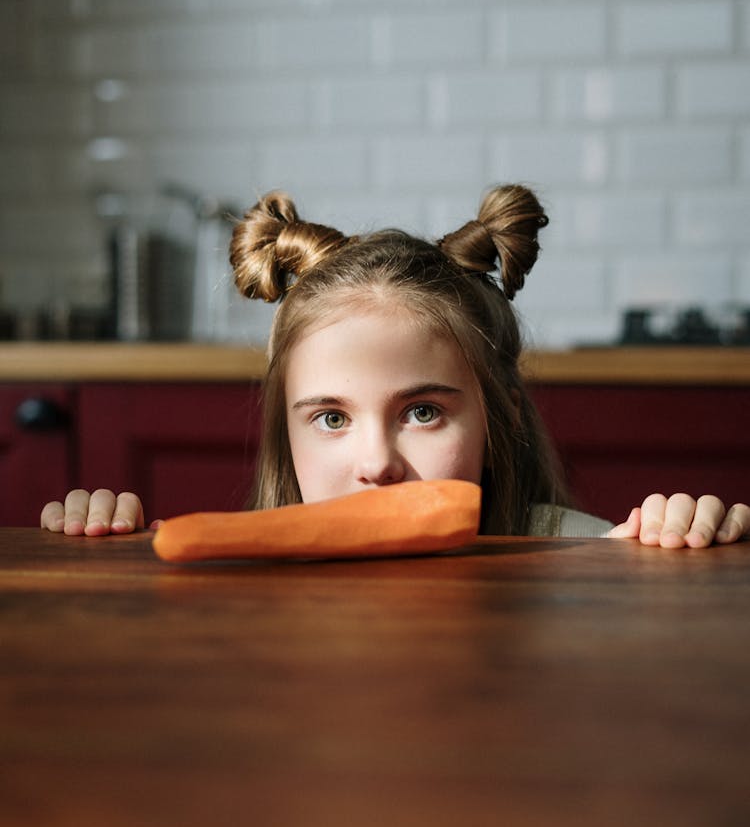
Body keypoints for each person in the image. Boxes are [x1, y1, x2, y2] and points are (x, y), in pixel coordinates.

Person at [41, 184, 750, 549]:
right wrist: (108, 548)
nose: (376, 464)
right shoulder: (248, 570)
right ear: (285, 433)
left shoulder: (567, 550)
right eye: (330, 417)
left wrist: (679, 535)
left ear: (495, 413)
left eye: (421, 411)